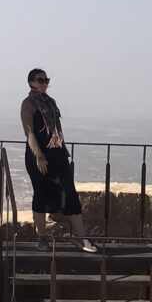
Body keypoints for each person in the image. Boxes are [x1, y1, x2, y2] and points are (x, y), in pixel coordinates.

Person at [21, 68, 96, 251]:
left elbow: (56, 130)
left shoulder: (51, 102)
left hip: (57, 153)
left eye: (46, 80)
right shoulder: (28, 104)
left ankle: (82, 238)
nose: (44, 83)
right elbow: (29, 132)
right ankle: (42, 238)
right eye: (40, 80)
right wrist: (39, 155)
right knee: (40, 193)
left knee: (70, 192)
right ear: (31, 82)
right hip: (38, 155)